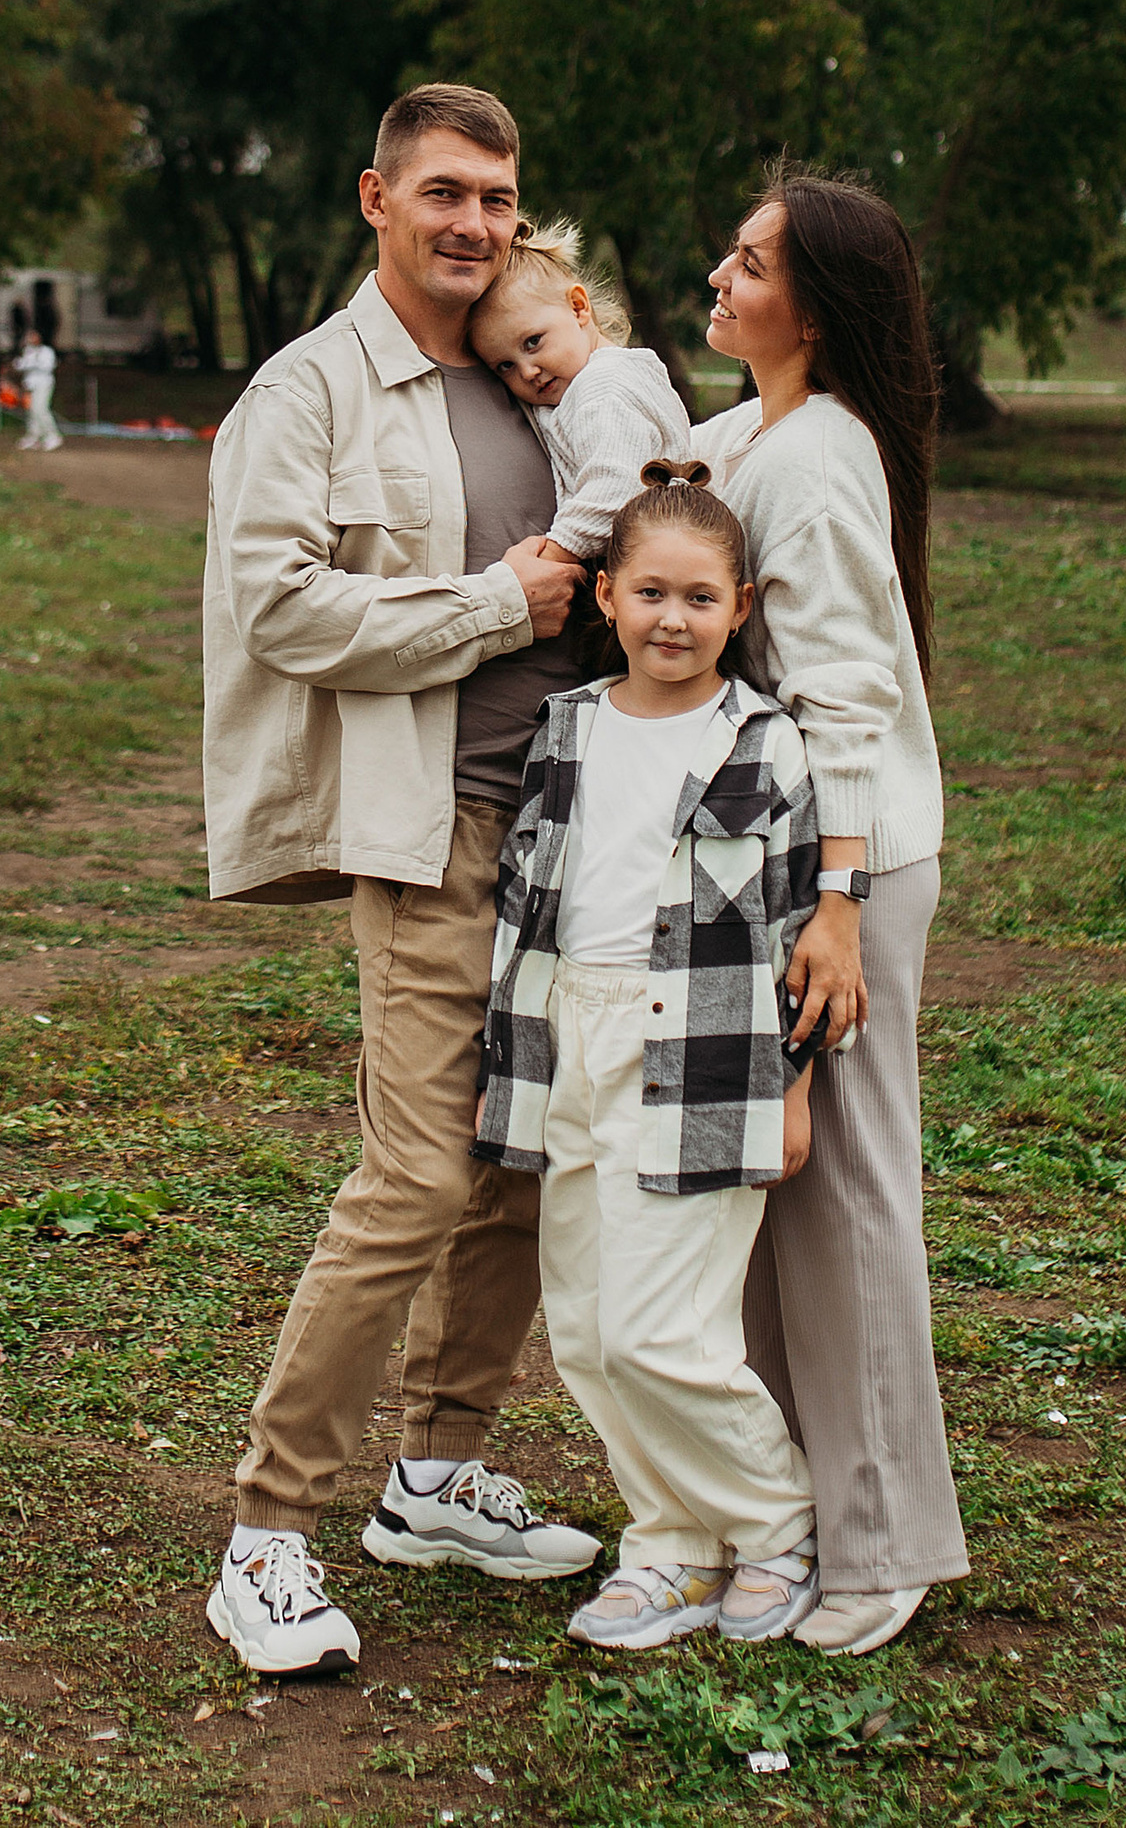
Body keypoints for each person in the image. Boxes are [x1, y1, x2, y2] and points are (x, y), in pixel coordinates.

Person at [201, 84, 596, 1680]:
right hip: (428, 827)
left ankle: (434, 1474)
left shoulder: (538, 375)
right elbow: (282, 610)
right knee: (422, 1173)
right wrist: (496, 601)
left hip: (572, 834)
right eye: (444, 190)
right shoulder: (312, 390)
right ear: (375, 198)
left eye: (497, 196)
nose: (474, 222)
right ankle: (267, 1531)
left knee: (513, 1169)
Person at [475, 464, 825, 1650]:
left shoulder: (764, 745)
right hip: (567, 1033)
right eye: (650, 594)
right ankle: (670, 1547)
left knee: (659, 1330)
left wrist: (794, 1087)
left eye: (700, 599)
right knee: (581, 1325)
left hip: (708, 1051)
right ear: (608, 600)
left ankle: (774, 1529)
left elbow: (789, 937)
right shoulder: (566, 727)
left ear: (738, 612)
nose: (673, 620)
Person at [693, 166, 966, 1657]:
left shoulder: (818, 457)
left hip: (843, 871)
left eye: (752, 263)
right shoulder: (748, 432)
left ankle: (887, 1540)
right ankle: (784, 1511)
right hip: (774, 864)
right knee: (766, 1195)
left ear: (819, 302)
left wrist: (842, 906)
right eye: (729, 255)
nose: (722, 277)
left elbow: (850, 692)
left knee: (847, 1196)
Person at [470, 219, 691, 577]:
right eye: (505, 366)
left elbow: (617, 490)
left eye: (533, 342)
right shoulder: (595, 381)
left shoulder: (602, 388)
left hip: (656, 576)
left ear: (578, 307)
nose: (527, 371)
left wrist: (552, 559)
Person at [17, 330, 62, 452]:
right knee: (31, 410)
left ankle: (52, 435)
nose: (31, 340)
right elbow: (20, 365)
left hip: (44, 384)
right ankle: (33, 436)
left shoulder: (47, 351)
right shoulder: (28, 351)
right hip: (31, 385)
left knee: (40, 409)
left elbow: (47, 366)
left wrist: (30, 364)